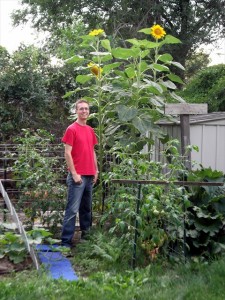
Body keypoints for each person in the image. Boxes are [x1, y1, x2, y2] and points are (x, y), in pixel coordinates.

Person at [61, 99, 98, 248]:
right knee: (72, 210)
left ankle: (86, 239)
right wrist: (74, 174)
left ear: (89, 111)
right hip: (78, 176)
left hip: (90, 176)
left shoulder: (90, 130)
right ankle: (65, 243)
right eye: (81, 109)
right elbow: (67, 153)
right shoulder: (72, 129)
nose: (84, 111)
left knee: (86, 210)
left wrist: (96, 170)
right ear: (76, 111)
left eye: (86, 109)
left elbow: (92, 151)